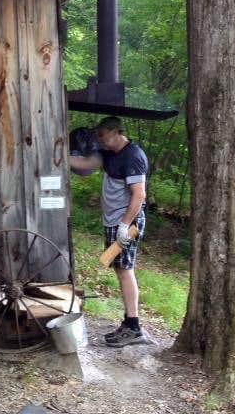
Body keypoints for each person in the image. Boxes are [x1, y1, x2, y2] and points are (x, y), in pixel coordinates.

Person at [69, 116, 148, 347]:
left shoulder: (133, 156)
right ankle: (129, 323)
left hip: (127, 223)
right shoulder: (110, 154)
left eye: (101, 135)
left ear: (115, 132)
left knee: (125, 270)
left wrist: (125, 225)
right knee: (119, 268)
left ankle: (134, 327)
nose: (98, 139)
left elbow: (139, 195)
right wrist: (61, 156)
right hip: (114, 222)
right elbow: (87, 164)